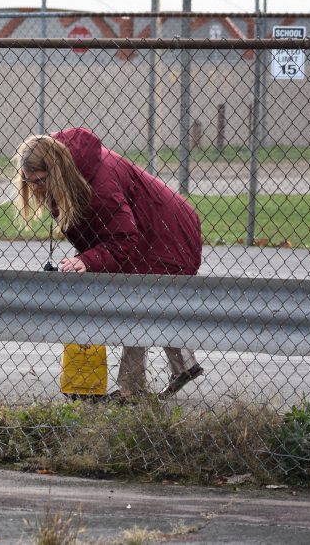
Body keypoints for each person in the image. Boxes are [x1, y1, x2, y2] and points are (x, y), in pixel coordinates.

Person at [14, 127, 205, 401]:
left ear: (55, 171)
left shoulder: (97, 186)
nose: (35, 188)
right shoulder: (70, 171)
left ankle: (132, 390)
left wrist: (87, 259)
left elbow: (123, 237)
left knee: (138, 305)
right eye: (29, 181)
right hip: (152, 228)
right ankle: (184, 366)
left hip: (166, 233)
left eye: (40, 180)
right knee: (152, 303)